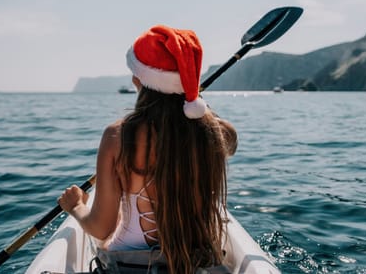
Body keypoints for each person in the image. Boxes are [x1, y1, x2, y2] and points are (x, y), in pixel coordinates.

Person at [58, 25, 238, 274]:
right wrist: (194, 103)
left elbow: (101, 228)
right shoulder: (213, 132)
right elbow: (230, 141)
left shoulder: (116, 136)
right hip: (197, 261)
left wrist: (75, 206)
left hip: (129, 265)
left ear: (138, 79)